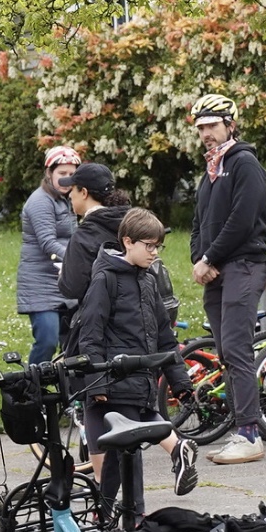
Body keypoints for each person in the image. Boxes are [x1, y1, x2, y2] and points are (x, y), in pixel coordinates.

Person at [68, 208, 200, 512]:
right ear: (128, 241)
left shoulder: (148, 281)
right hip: (110, 385)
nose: (154, 253)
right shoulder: (105, 279)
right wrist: (95, 384)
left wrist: (180, 383)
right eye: (149, 246)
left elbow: (165, 339)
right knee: (116, 461)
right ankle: (117, 518)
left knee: (120, 462)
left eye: (158, 246)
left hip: (139, 384)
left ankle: (118, 519)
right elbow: (91, 334)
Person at [187, 93, 266, 466]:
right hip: (218, 272)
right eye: (201, 127)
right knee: (226, 352)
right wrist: (198, 260)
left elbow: (242, 220)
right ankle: (240, 429)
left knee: (238, 350)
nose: (206, 133)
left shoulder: (245, 164)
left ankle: (249, 434)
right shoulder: (211, 172)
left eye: (212, 125)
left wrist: (210, 257)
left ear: (230, 124)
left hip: (243, 265)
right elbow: (198, 224)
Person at [17, 146, 81, 364]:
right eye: (62, 174)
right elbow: (48, 243)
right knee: (47, 341)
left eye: (72, 174)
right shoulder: (40, 201)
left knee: (73, 342)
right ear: (49, 174)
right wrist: (79, 259)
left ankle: (69, 392)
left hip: (65, 279)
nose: (67, 179)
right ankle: (29, 389)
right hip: (40, 282)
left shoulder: (70, 199)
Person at [54, 161, 132, 319]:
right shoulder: (132, 222)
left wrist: (64, 274)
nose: (69, 195)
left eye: (72, 189)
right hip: (135, 316)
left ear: (83, 192)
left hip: (101, 321)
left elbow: (72, 288)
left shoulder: (84, 235)